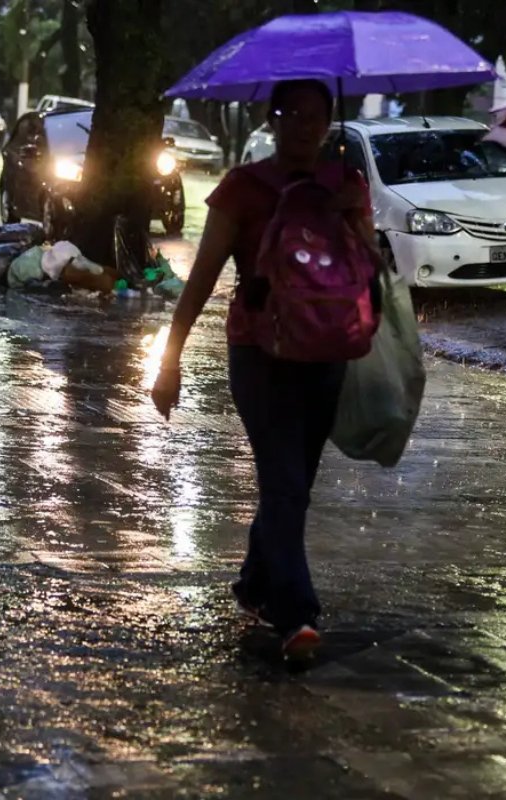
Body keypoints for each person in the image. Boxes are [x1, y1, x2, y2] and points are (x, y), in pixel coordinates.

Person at [151, 79, 374, 660]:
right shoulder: (242, 189)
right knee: (283, 484)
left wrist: (354, 222)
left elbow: (370, 274)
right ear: (270, 120)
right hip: (259, 357)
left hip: (326, 356)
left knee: (293, 485)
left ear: (330, 121)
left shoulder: (347, 184)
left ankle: (254, 585)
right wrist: (170, 358)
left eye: (315, 116)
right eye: (290, 114)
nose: (303, 126)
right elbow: (200, 279)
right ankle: (296, 614)